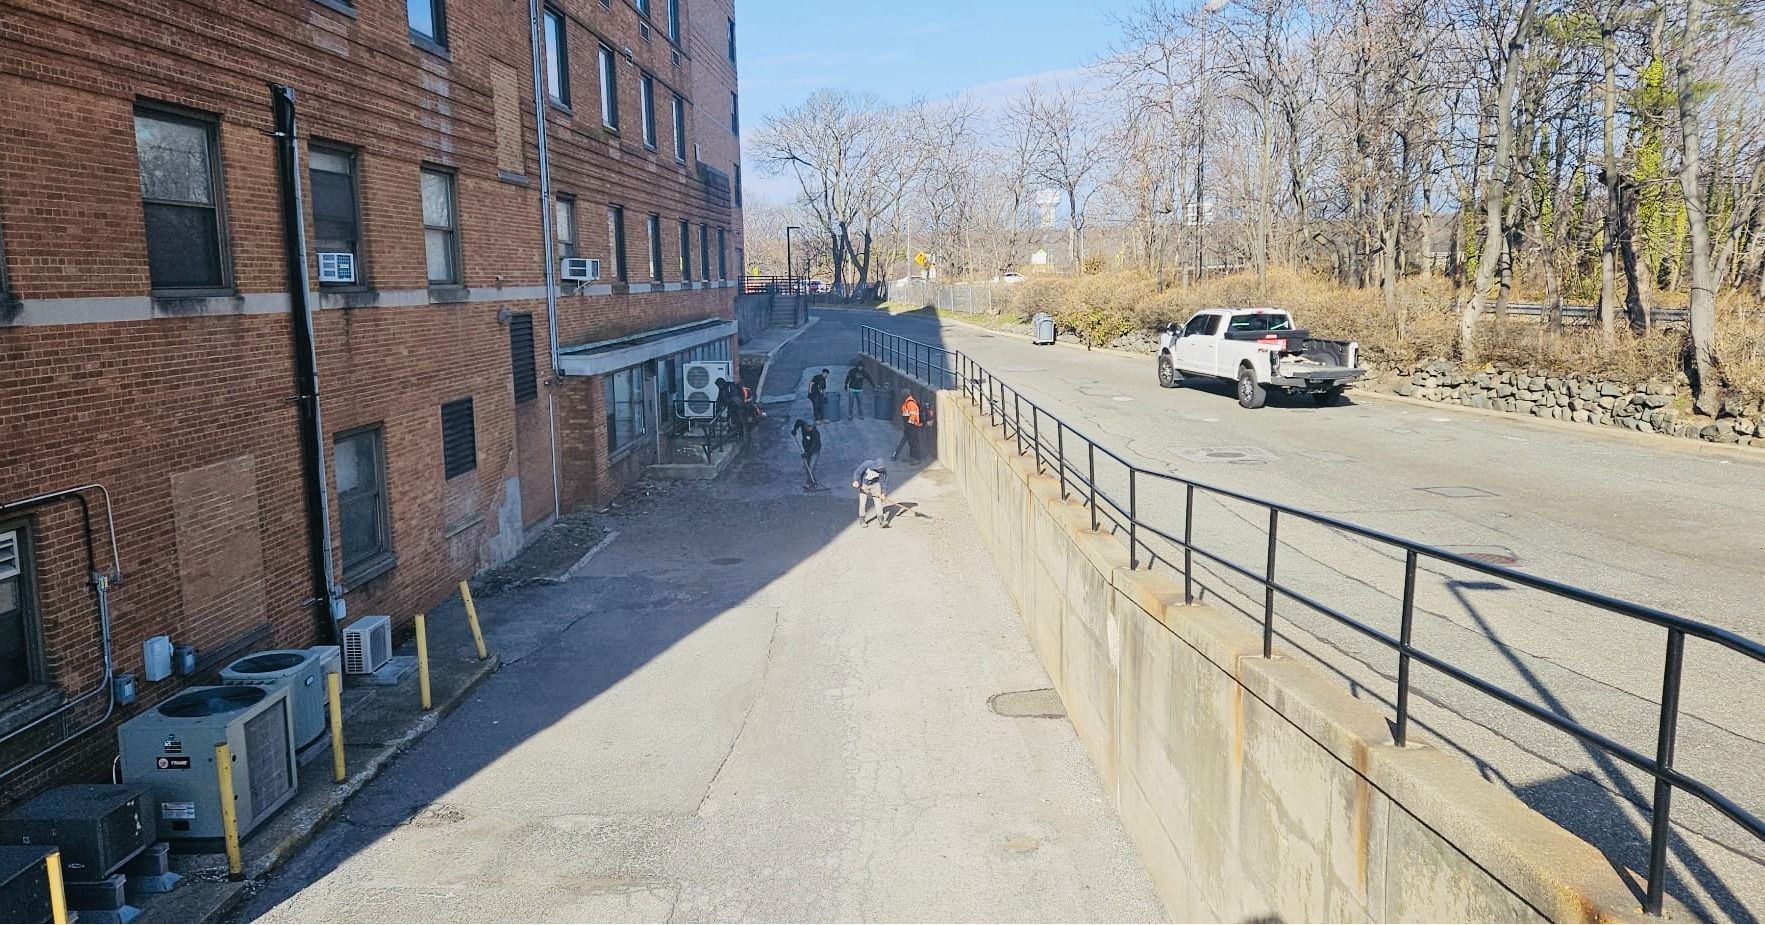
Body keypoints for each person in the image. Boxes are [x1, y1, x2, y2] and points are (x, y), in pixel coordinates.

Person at [852, 457, 890, 527]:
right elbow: (858, 472)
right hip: (864, 484)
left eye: (880, 469)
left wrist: (883, 493)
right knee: (863, 503)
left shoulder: (882, 470)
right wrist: (856, 481)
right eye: (878, 469)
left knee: (878, 502)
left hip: (875, 484)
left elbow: (885, 481)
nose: (879, 470)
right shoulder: (867, 464)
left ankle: (881, 521)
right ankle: (862, 520)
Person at [892, 391, 924, 463]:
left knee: (914, 442)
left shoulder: (910, 403)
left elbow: (913, 415)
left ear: (905, 396)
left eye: (902, 396)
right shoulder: (907, 402)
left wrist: (909, 425)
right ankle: (912, 456)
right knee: (911, 442)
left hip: (913, 426)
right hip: (909, 426)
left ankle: (917, 458)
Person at [792, 418, 823, 489]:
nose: (809, 428)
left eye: (811, 427)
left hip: (815, 451)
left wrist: (807, 454)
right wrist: (794, 429)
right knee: (806, 466)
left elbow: (814, 446)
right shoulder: (803, 425)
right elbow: (798, 422)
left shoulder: (815, 434)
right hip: (806, 448)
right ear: (805, 425)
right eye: (808, 427)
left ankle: (808, 483)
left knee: (811, 466)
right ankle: (812, 479)